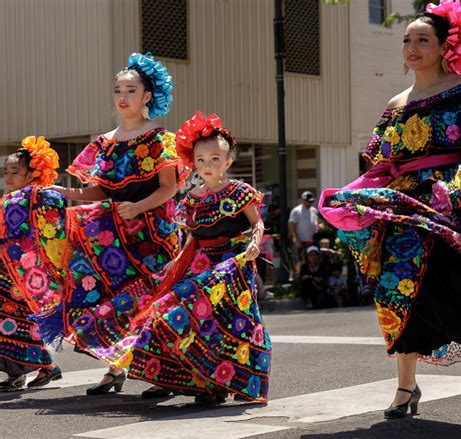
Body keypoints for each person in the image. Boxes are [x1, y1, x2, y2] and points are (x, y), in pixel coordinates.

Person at [319, 0, 461, 420]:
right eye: (407, 40)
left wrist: (454, 187)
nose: (412, 47)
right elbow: (378, 163)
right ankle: (406, 387)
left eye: (423, 39)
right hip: (403, 214)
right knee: (394, 291)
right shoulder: (396, 102)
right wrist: (354, 196)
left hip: (456, 210)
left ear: (445, 46)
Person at [0, 53, 188, 396]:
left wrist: (138, 207)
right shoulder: (106, 141)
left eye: (130, 89)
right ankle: (116, 368)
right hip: (112, 235)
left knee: (154, 302)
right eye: (118, 89)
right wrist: (63, 191)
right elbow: (100, 189)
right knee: (103, 297)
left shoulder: (162, 139)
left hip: (153, 234)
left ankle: (165, 374)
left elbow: (169, 187)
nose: (122, 96)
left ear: (147, 95)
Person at [84, 112, 272, 404]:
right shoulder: (192, 198)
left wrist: (255, 244)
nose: (207, 166)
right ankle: (209, 384)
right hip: (200, 261)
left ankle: (234, 381)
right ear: (192, 161)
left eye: (214, 159)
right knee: (179, 314)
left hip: (232, 263)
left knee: (233, 321)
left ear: (228, 161)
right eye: (200, 160)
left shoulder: (239, 192)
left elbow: (257, 223)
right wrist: (178, 260)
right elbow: (194, 236)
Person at [0, 137, 62, 391]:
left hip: (25, 274)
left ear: (33, 174)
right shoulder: (8, 199)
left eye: (16, 172)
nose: (9, 177)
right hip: (6, 271)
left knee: (18, 323)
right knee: (9, 322)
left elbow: (51, 232)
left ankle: (37, 369)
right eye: (6, 172)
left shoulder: (39, 198)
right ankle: (39, 369)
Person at [288, 191, 319, 272]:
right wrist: (296, 238)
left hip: (312, 241)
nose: (310, 203)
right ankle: (297, 280)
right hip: (300, 241)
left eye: (311, 201)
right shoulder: (296, 211)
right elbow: (291, 224)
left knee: (311, 261)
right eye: (308, 201)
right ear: (303, 200)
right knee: (299, 261)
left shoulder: (314, 211)